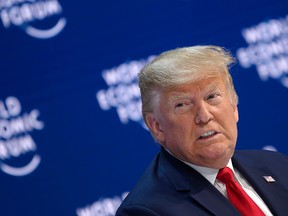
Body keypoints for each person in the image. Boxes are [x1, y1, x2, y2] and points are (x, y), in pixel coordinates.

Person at [116, 46, 288, 216]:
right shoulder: (145, 211)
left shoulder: (277, 165)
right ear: (157, 126)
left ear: (234, 107)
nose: (204, 116)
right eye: (182, 105)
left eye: (211, 97)